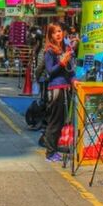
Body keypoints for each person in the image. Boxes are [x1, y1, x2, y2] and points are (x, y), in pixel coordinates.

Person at [42, 23, 74, 163]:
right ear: (50, 35)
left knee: (62, 121)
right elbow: (50, 71)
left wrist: (74, 80)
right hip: (55, 89)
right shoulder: (49, 51)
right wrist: (61, 62)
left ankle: (54, 149)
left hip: (66, 88)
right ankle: (50, 152)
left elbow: (70, 70)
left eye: (60, 31)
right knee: (54, 121)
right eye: (55, 32)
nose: (58, 34)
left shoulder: (64, 50)